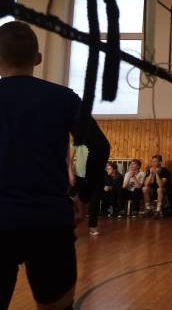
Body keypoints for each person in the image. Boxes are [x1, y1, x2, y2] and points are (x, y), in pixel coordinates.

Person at [0, 21, 110, 310]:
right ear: (38, 58)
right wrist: (83, 195)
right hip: (49, 222)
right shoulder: (63, 98)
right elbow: (96, 147)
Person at [69, 144, 102, 237]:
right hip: (79, 176)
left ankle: (93, 226)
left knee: (95, 201)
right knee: (70, 198)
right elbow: (70, 159)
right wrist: (70, 173)